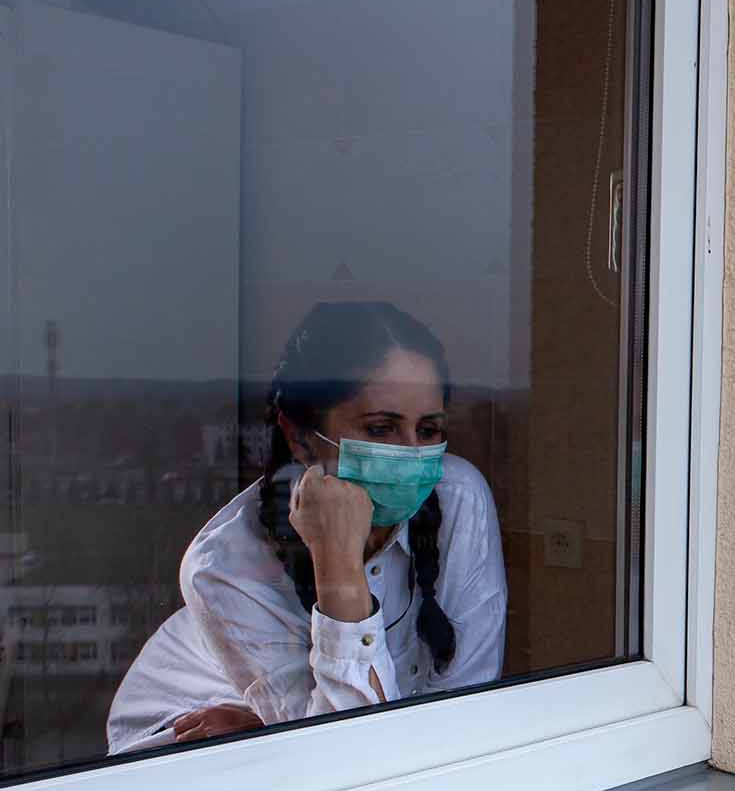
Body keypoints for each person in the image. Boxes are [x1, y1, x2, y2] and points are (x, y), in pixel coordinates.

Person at [108, 302, 506, 752]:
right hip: (177, 751)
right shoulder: (223, 566)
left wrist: (272, 731)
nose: (412, 453)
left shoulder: (459, 497)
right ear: (299, 438)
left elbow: (466, 707)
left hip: (285, 748)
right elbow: (342, 757)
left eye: (429, 429)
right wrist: (338, 564)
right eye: (381, 429)